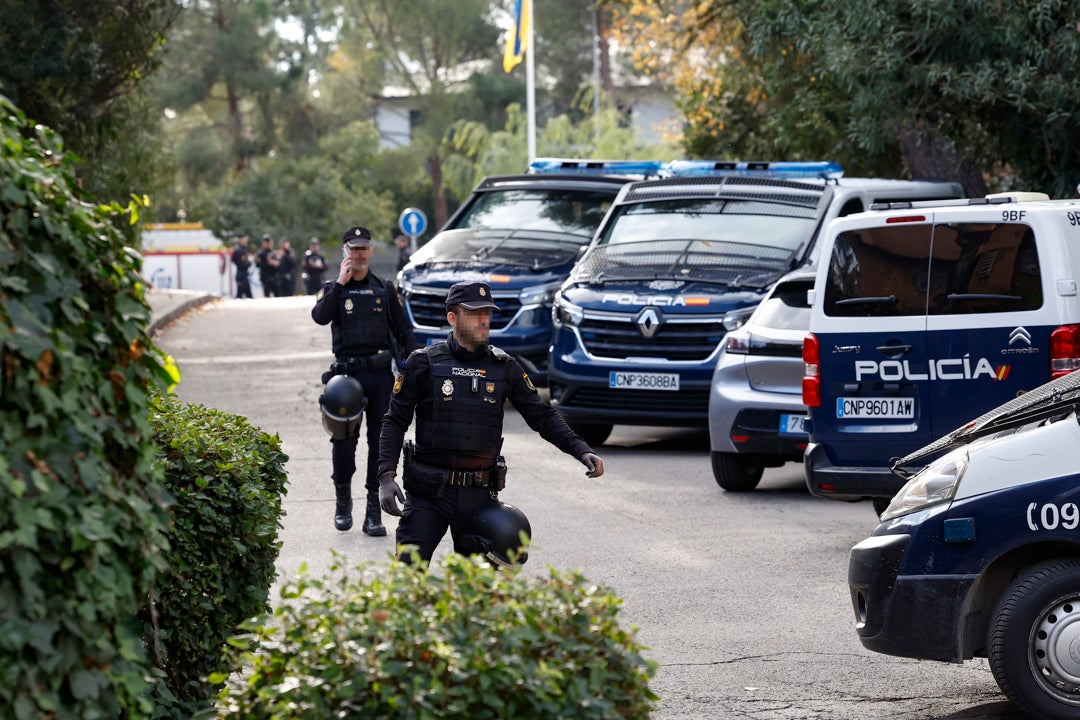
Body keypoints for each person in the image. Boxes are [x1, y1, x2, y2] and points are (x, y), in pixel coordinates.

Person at [376, 280, 605, 564]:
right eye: (475, 314)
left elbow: (542, 416)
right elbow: (394, 421)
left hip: (479, 497)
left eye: (487, 313)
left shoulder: (504, 367)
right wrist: (386, 476)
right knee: (408, 575)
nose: (484, 320)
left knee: (481, 586)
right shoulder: (422, 363)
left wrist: (581, 449)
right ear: (452, 318)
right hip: (428, 494)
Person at [312, 225, 420, 535]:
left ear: (370, 251)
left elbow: (404, 331)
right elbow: (320, 317)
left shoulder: (384, 289)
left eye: (363, 249)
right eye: (353, 249)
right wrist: (340, 284)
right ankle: (343, 502)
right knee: (344, 444)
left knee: (379, 443)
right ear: (345, 252)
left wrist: (414, 366)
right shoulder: (333, 288)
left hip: (379, 375)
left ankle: (374, 511)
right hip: (345, 378)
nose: (358, 255)